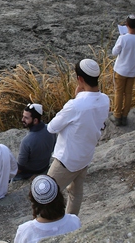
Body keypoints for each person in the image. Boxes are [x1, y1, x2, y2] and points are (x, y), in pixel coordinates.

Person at [46, 59, 109, 215]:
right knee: (75, 193)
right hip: (85, 156)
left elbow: (52, 127)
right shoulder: (105, 100)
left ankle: (48, 226)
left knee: (45, 194)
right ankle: (71, 222)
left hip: (67, 160)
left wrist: (74, 99)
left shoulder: (75, 105)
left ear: (80, 79)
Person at [110, 14, 135, 126]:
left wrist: (122, 37)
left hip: (121, 70)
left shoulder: (123, 38)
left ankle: (117, 116)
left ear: (126, 25)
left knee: (118, 92)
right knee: (128, 93)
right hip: (133, 70)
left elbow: (114, 52)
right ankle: (125, 116)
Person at [14, 103, 55, 181]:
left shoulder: (27, 141)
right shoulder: (50, 129)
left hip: (31, 170)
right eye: (23, 116)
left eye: (26, 118)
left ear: (35, 120)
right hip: (45, 166)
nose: (22, 119)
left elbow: (20, 166)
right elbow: (53, 147)